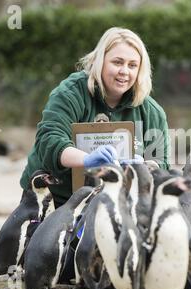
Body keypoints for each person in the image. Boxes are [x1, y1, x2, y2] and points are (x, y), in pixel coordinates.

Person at [20, 27, 170, 208]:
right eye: (117, 62)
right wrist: (86, 160)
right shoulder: (70, 93)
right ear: (100, 62)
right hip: (54, 197)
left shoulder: (152, 112)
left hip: (118, 203)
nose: (124, 71)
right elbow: (49, 140)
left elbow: (162, 164)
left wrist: (146, 166)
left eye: (132, 65)